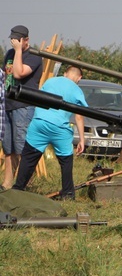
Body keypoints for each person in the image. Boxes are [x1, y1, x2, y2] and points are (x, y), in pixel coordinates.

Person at [12, 66, 87, 200]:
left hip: (39, 123)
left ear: (65, 73)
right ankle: (68, 194)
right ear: (79, 78)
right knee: (66, 161)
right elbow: (79, 116)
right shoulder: (77, 90)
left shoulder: (50, 81)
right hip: (60, 128)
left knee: (28, 158)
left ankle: (18, 189)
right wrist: (82, 139)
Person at [3, 25, 44, 190]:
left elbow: (19, 73)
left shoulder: (33, 56)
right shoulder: (9, 54)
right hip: (8, 104)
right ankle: (7, 184)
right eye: (12, 40)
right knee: (8, 147)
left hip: (24, 106)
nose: (14, 43)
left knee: (21, 146)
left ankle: (24, 185)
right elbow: (6, 75)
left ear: (26, 39)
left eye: (17, 40)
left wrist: (19, 50)